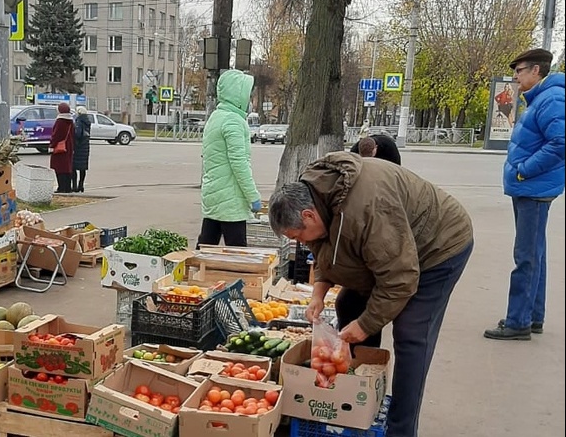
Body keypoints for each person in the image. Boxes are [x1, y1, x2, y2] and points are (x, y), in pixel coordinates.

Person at [267, 152, 473, 437]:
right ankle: (360, 391)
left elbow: (400, 279)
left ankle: (401, 430)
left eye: (297, 236)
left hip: (437, 249)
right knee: (348, 303)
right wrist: (318, 293)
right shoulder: (316, 198)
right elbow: (324, 249)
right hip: (392, 251)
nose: (300, 242)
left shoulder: (367, 210)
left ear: (308, 215)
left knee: (411, 333)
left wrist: (366, 326)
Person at [484, 48, 565, 341]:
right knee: (534, 253)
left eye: (519, 71)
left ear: (536, 71)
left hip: (534, 187)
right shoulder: (542, 98)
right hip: (532, 187)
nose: (516, 78)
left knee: (526, 256)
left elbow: (560, 142)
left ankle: (518, 321)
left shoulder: (551, 98)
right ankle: (533, 316)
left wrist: (525, 170)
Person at [198, 69, 262, 247]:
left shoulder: (216, 117)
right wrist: (253, 196)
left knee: (206, 246)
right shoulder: (233, 121)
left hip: (213, 194)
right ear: (238, 96)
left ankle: (193, 266)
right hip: (230, 199)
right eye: (248, 96)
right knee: (237, 252)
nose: (250, 101)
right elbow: (239, 164)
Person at [48, 102, 75, 193]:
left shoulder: (60, 121)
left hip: (60, 148)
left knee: (59, 168)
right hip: (69, 146)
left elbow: (56, 135)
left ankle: (61, 187)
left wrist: (52, 145)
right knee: (67, 167)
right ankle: (68, 187)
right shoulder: (71, 121)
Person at [72, 106, 92, 193]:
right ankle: (81, 185)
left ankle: (74, 186)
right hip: (85, 146)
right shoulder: (87, 121)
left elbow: (78, 134)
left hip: (78, 146)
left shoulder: (79, 120)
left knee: (73, 167)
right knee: (82, 168)